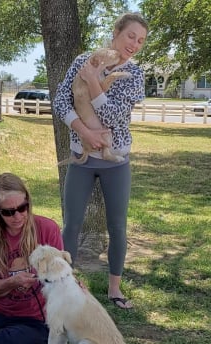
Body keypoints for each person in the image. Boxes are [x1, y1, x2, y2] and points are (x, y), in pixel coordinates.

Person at [53, 12, 148, 309]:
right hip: (83, 158)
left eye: (141, 40)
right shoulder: (84, 59)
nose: (134, 44)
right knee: (71, 224)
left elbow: (110, 116)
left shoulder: (135, 75)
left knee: (117, 225)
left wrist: (94, 80)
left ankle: (115, 289)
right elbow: (60, 101)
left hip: (115, 160)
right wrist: (83, 131)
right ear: (116, 33)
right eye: (131, 36)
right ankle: (64, 287)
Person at [0, 172, 63, 344]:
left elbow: (60, 274)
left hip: (33, 317)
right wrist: (12, 282)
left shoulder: (47, 228)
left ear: (28, 203)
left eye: (22, 208)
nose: (17, 216)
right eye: (8, 212)